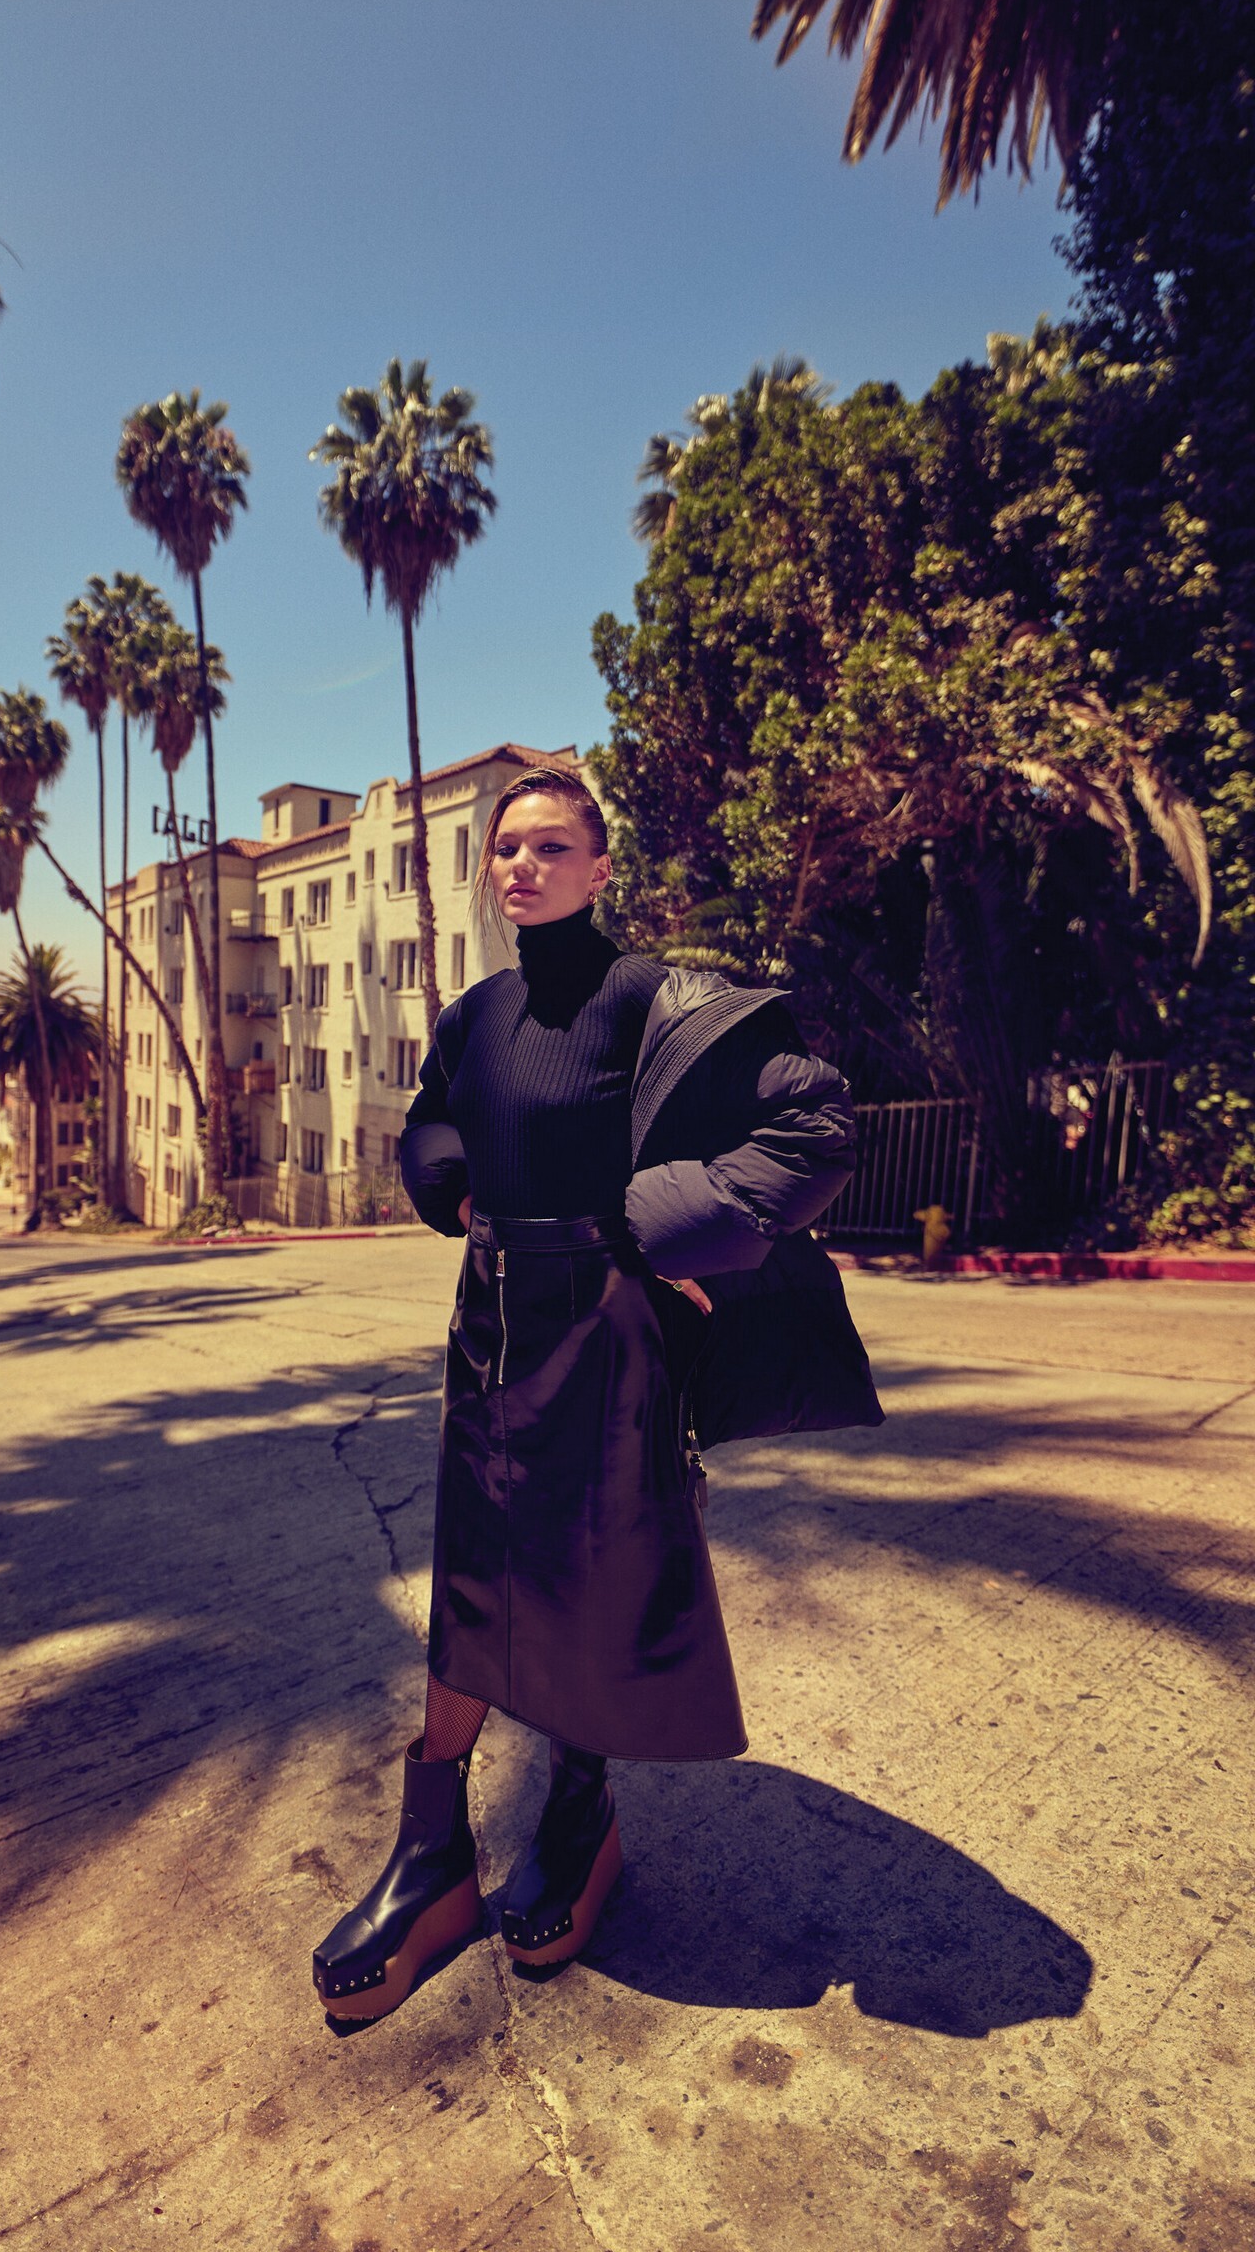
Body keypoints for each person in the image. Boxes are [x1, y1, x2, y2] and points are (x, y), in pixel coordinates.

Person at [311, 766, 881, 2021]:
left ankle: (579, 1818)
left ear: (599, 867)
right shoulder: (473, 1014)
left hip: (609, 1331)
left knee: (589, 1581)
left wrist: (665, 1223)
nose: (521, 866)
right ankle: (431, 1852)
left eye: (550, 847)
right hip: (487, 1324)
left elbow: (815, 1124)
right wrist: (446, 1178)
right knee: (471, 1580)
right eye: (506, 848)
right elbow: (432, 1120)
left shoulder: (651, 998)